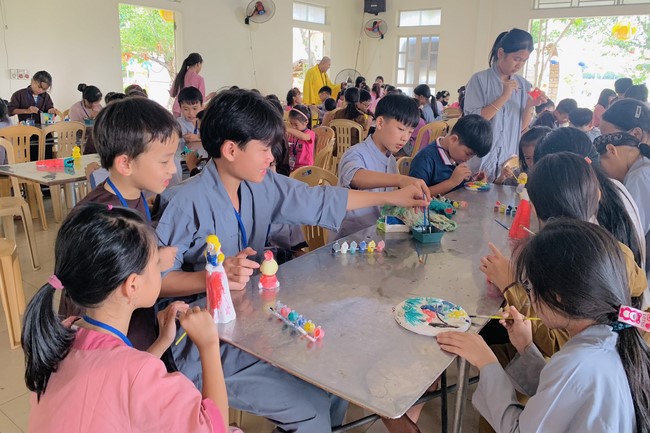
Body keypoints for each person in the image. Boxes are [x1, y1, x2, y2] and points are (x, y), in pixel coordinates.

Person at [154, 89, 428, 433]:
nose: (272, 158)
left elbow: (318, 199)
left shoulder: (260, 185)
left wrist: (394, 195)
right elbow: (157, 282)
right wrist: (215, 276)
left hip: (251, 319)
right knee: (311, 410)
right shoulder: (184, 202)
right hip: (201, 338)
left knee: (334, 378)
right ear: (231, 150)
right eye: (265, 149)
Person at [24, 204, 229, 433]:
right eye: (156, 264)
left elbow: (119, 385)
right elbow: (215, 428)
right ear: (132, 285)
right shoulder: (138, 373)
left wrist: (162, 342)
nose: (161, 270)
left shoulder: (63, 333)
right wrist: (209, 345)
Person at [439, 219, 650, 433]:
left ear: (558, 297)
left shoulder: (580, 364)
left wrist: (486, 362)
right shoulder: (612, 336)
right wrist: (526, 347)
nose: (529, 296)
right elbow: (560, 397)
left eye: (529, 287)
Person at [59, 97, 180, 351]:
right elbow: (91, 298)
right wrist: (155, 262)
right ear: (125, 163)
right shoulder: (101, 218)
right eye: (164, 161)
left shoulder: (135, 195)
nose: (172, 169)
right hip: (111, 347)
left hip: (135, 332)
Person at [336, 93, 430, 238]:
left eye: (410, 132)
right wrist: (400, 179)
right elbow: (355, 177)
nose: (405, 138)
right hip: (350, 239)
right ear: (380, 123)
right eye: (401, 129)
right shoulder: (355, 153)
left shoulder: (390, 160)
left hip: (378, 235)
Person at [464, 29, 546, 181]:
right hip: (481, 157)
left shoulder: (523, 85)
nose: (519, 65)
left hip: (507, 161)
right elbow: (474, 123)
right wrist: (504, 97)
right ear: (501, 53)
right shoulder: (479, 80)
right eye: (516, 59)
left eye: (524, 60)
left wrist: (530, 105)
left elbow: (521, 127)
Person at [595, 131, 650, 287]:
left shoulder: (640, 176)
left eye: (601, 166)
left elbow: (630, 230)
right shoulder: (642, 168)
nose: (604, 174)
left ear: (611, 150)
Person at [409, 114, 492, 196]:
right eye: (468, 154)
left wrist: (473, 182)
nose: (468, 159)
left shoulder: (455, 156)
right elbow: (417, 194)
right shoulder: (425, 159)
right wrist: (452, 182)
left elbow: (457, 188)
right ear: (453, 140)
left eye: (472, 156)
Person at [176, 86, 206, 184]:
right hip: (185, 161)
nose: (191, 113)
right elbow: (179, 147)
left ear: (202, 106)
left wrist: (198, 137)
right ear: (180, 108)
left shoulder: (205, 120)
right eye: (186, 109)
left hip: (203, 159)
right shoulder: (178, 124)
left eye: (195, 108)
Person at [170, 53, 215, 117]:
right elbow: (201, 99)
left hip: (176, 110)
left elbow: (172, 94)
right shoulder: (199, 79)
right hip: (190, 112)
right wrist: (210, 96)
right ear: (198, 64)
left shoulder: (179, 76)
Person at [286, 104, 315, 171]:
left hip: (306, 168)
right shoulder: (293, 134)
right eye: (291, 124)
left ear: (306, 122)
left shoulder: (310, 133)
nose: (293, 127)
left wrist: (287, 129)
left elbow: (303, 136)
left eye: (296, 124)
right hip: (293, 166)